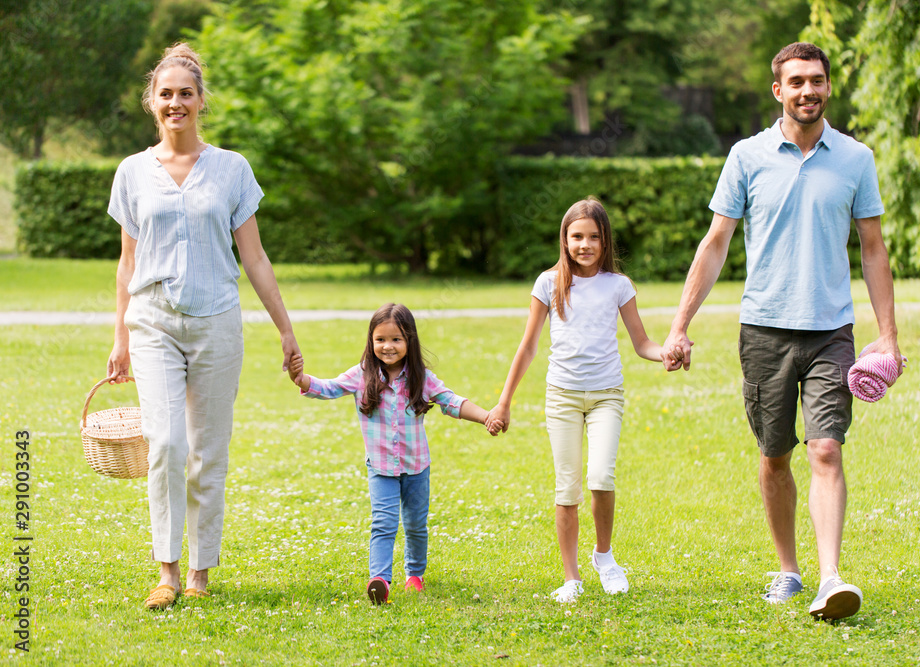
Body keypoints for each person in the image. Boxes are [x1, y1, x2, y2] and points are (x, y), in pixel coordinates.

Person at [662, 42, 904, 621]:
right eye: (796, 81)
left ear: (827, 86)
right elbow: (716, 243)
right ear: (778, 90)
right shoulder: (746, 156)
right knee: (775, 455)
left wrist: (888, 335)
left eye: (816, 80)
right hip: (764, 331)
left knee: (825, 447)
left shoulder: (855, 159)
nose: (807, 90)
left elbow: (873, 248)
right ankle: (789, 570)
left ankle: (830, 578)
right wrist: (679, 325)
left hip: (830, 331)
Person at [106, 43, 301, 610]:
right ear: (152, 101)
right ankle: (165, 570)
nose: (175, 103)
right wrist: (119, 336)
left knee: (207, 452)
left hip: (217, 321)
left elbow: (256, 258)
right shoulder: (132, 173)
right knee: (166, 443)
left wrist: (286, 330)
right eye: (165, 94)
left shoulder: (233, 169)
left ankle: (199, 569)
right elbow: (127, 261)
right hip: (153, 322)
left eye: (185, 94)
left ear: (200, 101)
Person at [486, 197, 668, 603]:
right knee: (566, 490)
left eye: (593, 237)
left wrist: (666, 353)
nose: (584, 244)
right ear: (564, 240)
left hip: (606, 396)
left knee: (601, 477)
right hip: (562, 397)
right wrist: (504, 402)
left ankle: (604, 556)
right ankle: (572, 578)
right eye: (576, 236)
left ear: (606, 242)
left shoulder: (618, 286)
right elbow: (529, 346)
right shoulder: (548, 283)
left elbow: (642, 343)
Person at [288, 303, 497, 605]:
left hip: (416, 468)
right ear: (371, 342)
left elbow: (452, 401)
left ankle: (414, 574)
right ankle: (380, 581)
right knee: (383, 522)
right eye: (380, 340)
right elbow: (329, 387)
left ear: (409, 341)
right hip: (381, 468)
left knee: (415, 524)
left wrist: (486, 416)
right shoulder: (362, 375)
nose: (387, 346)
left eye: (396, 339)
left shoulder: (421, 378)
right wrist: (302, 379)